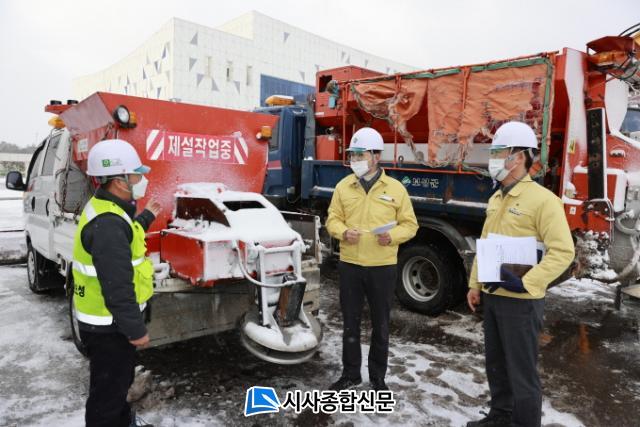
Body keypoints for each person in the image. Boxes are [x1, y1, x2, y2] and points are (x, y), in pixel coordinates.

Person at [466, 122, 575, 427]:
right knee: (497, 364)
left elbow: (563, 251)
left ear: (518, 157)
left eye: (498, 152)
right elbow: (485, 244)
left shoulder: (544, 201)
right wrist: (475, 284)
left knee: (522, 372)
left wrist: (527, 282)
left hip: (522, 302)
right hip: (494, 295)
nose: (493, 158)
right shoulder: (496, 198)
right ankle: (500, 417)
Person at [72, 139, 160, 427]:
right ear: (120, 181)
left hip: (109, 324)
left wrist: (148, 216)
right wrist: (135, 329)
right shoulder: (108, 223)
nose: (141, 180)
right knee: (107, 397)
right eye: (136, 174)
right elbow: (117, 285)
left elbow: (128, 235)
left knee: (117, 385)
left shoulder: (110, 210)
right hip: (108, 327)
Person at [326, 127, 418, 391]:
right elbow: (333, 219)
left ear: (376, 156)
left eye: (360, 154)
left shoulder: (396, 189)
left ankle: (378, 378)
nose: (354, 159)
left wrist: (393, 236)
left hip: (382, 267)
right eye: (352, 154)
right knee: (350, 323)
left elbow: (410, 225)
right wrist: (343, 232)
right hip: (351, 265)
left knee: (381, 325)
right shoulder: (343, 186)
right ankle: (351, 374)